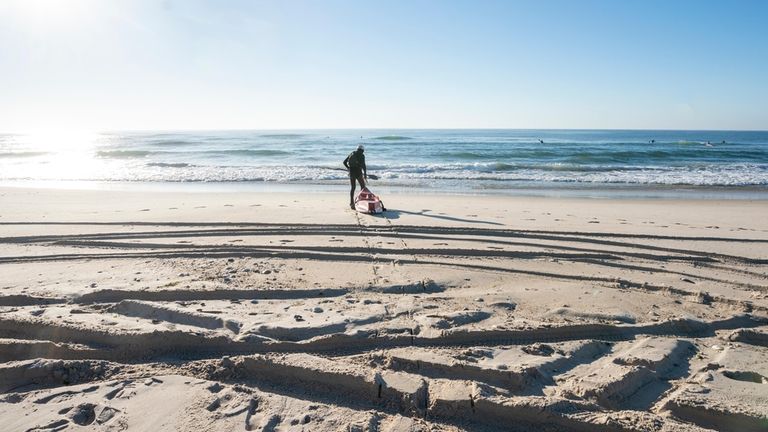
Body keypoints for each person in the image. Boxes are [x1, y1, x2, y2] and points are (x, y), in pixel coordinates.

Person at [343, 144, 367, 209]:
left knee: (353, 188)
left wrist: (348, 168)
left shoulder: (352, 153)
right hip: (358, 172)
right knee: (363, 187)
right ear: (362, 150)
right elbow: (363, 165)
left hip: (351, 172)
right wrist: (365, 174)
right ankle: (362, 201)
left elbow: (344, 162)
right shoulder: (362, 155)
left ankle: (351, 203)